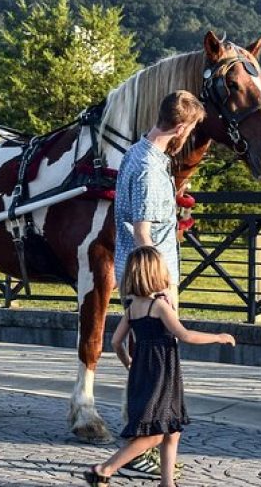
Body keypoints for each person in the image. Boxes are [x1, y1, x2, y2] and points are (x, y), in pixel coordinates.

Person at [83, 246, 235, 487]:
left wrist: (129, 364)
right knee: (154, 434)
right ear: (155, 274)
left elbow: (115, 341)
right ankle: (103, 469)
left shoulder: (132, 308)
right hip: (163, 375)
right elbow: (184, 335)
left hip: (143, 373)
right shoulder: (159, 307)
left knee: (172, 429)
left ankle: (167, 482)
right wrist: (218, 337)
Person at [113, 89, 205, 476]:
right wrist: (158, 290)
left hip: (137, 275)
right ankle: (143, 454)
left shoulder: (137, 152)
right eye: (191, 129)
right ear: (181, 127)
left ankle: (154, 451)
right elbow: (143, 232)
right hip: (153, 280)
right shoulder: (151, 169)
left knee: (152, 372)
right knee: (159, 375)